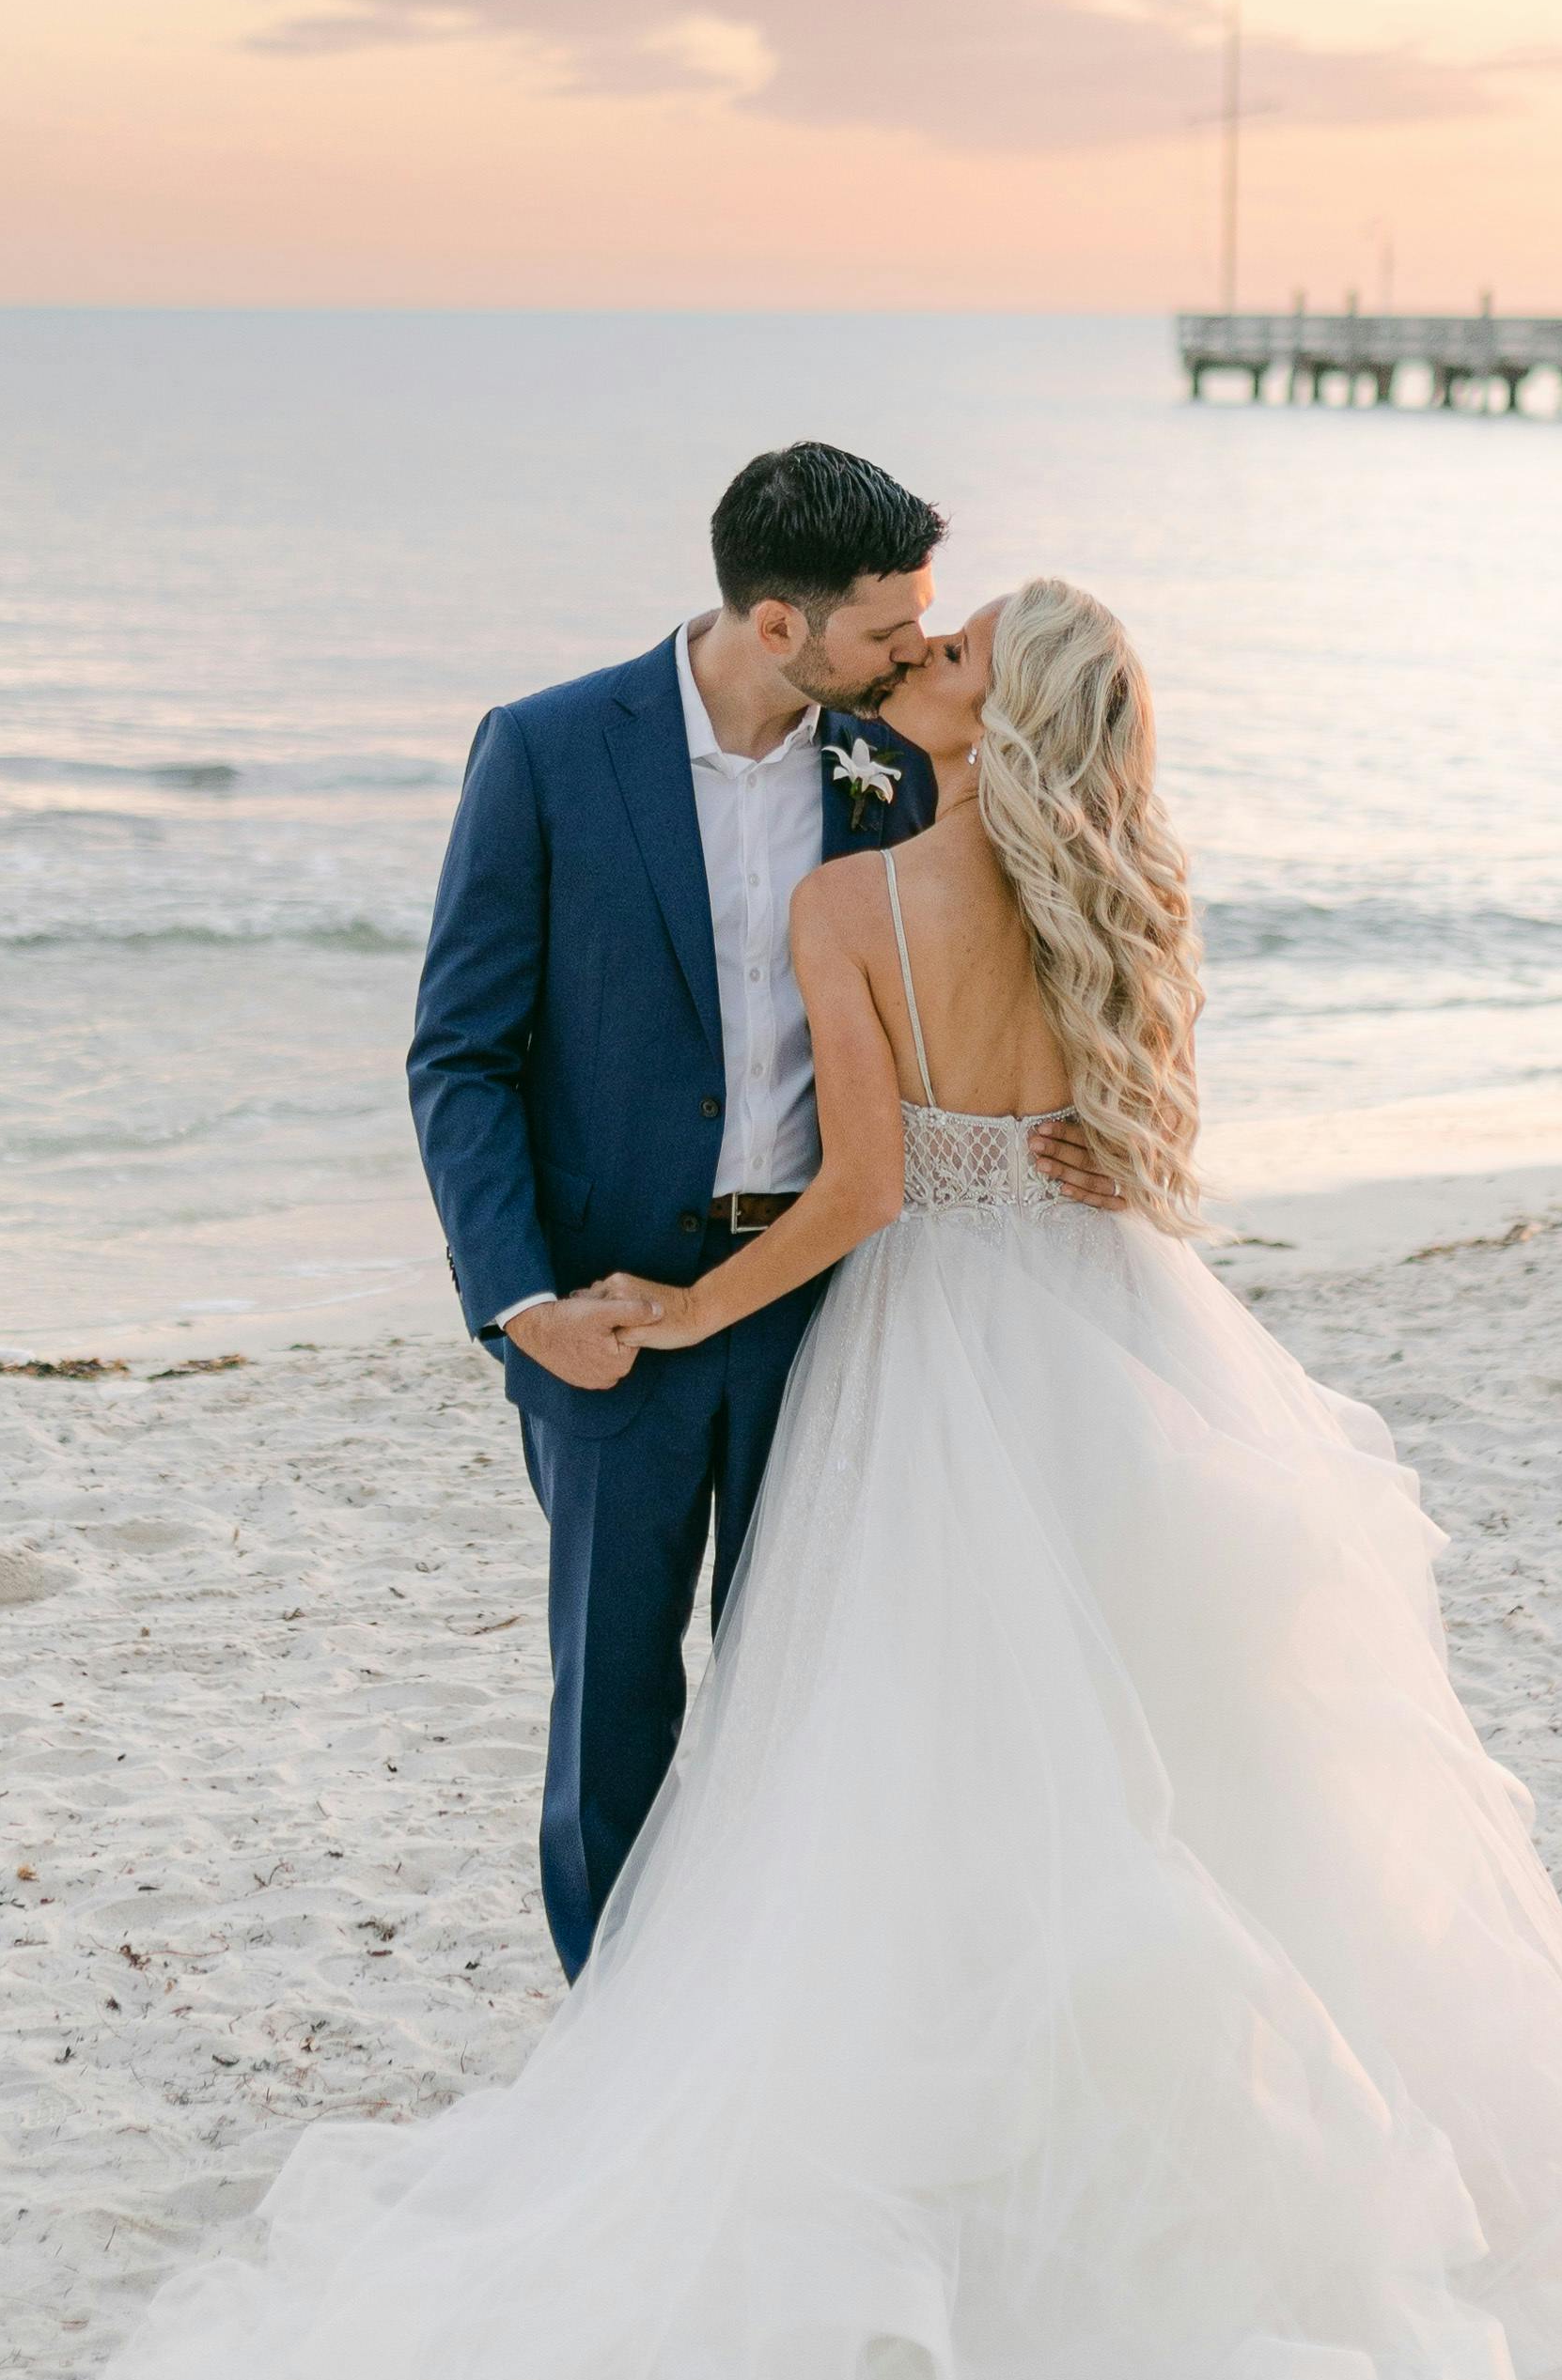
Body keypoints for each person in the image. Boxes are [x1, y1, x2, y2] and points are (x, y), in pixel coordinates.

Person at [6, 580, 1562, 2380]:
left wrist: (683, 1309)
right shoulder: (1113, 898)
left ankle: (973, 2186)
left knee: (911, 1769)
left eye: (942, 657)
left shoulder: (867, 901)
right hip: (1115, 1349)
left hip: (929, 1352)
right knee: (1173, 1767)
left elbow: (843, 1198)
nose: (909, 669)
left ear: (978, 709)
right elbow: (1137, 1150)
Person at [401, 441, 1108, 1976]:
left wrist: (1098, 1128)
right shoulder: (545, 749)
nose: (921, 651)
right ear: (779, 625)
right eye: (888, 630)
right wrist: (521, 1301)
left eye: (928, 627)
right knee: (613, 1714)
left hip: (841, 1303)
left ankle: (788, 2021)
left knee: (820, 1699)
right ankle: (615, 2039)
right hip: (614, 1311)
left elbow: (1051, 936)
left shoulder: (903, 757)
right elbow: (460, 1054)